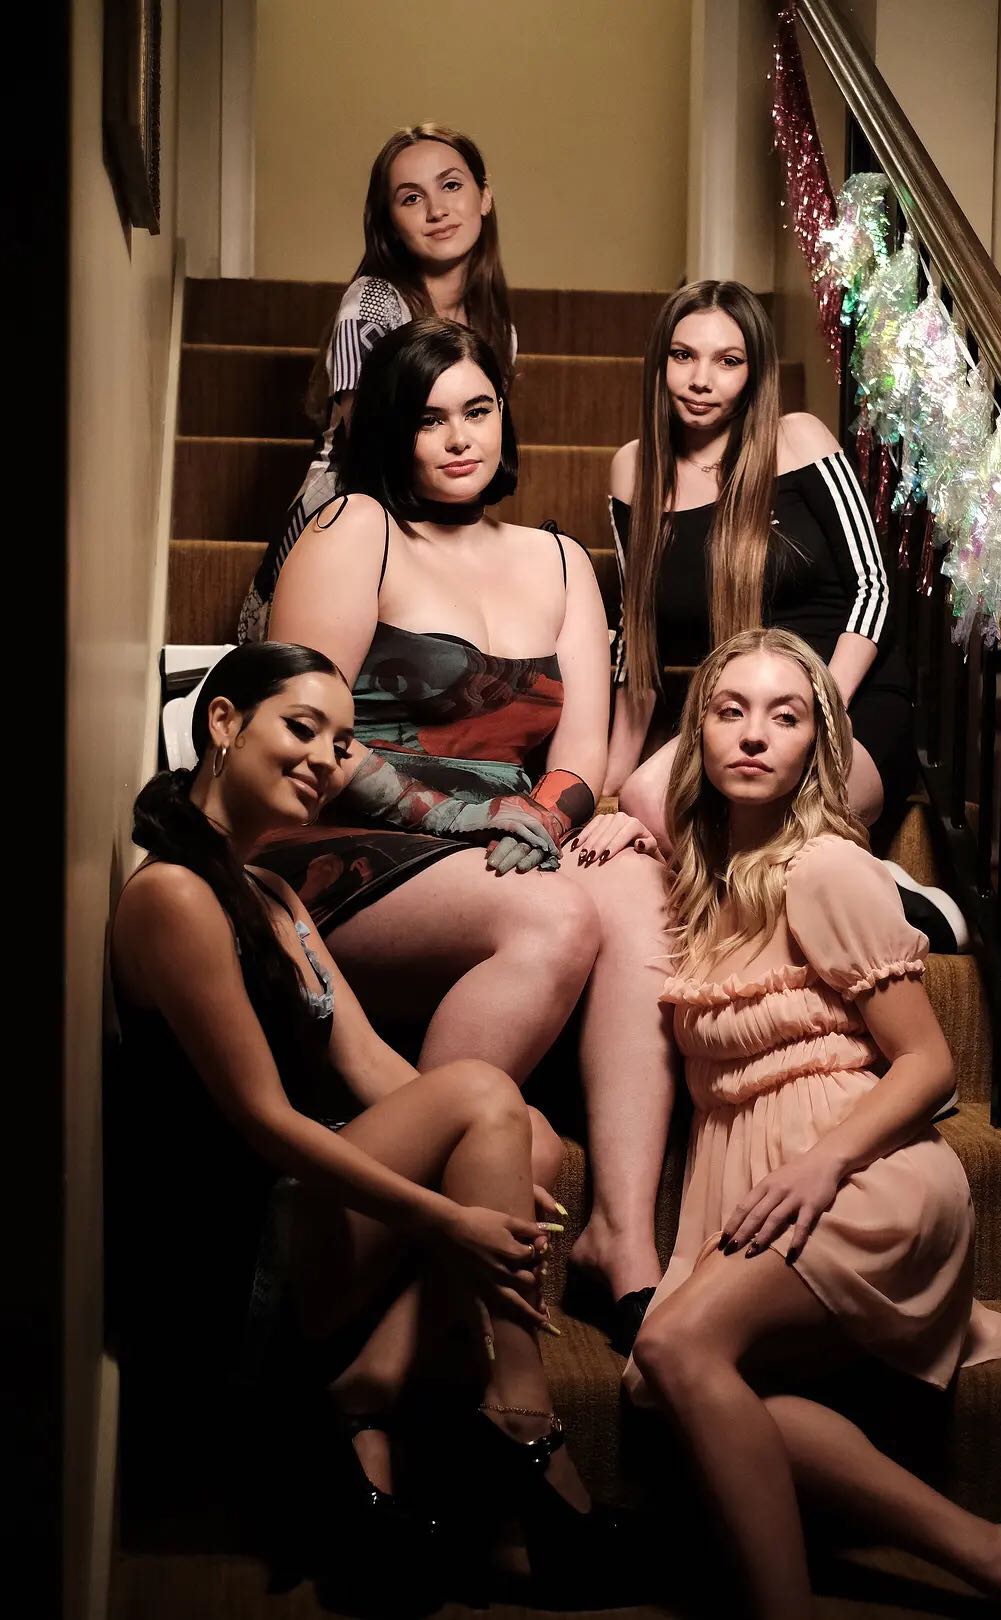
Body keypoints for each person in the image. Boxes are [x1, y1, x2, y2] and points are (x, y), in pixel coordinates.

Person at [110, 642, 622, 1600]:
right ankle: (522, 1417)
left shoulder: (269, 893)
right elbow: (263, 1122)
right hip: (228, 1261)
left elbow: (373, 1069)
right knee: (481, 1098)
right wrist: (446, 1218)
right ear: (222, 722)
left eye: (341, 743)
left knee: (523, 1130)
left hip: (296, 1218)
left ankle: (368, 1391)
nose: (323, 760)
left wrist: (489, 1158)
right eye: (301, 729)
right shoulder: (173, 895)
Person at [261, 316, 678, 1347]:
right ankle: (371, 1270)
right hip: (343, 842)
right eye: (428, 419)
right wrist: (464, 814)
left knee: (634, 888)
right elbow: (301, 732)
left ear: (504, 416)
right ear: (391, 432)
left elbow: (580, 757)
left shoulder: (562, 558)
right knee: (554, 921)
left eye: (478, 410)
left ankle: (622, 1237)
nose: (459, 438)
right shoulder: (355, 526)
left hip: (502, 845)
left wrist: (539, 814)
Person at [620, 627, 1001, 1620]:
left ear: (820, 742)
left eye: (786, 716)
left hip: (859, 1172)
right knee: (682, 1382)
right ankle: (995, 1557)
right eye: (730, 711)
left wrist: (821, 1166)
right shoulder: (706, 879)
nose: (754, 736)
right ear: (696, 731)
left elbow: (931, 1064)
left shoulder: (827, 870)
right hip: (751, 1176)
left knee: (677, 1353)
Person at [603, 278, 967, 953]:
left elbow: (873, 586)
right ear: (660, 363)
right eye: (683, 356)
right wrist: (608, 785)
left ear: (755, 371)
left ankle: (864, 889)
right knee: (646, 799)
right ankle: (880, 889)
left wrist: (818, 709)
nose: (701, 379)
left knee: (784, 804)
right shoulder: (634, 471)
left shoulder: (797, 439)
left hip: (847, 697)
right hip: (733, 712)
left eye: (728, 360)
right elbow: (637, 641)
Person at [238, 123, 515, 643]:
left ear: (484, 196)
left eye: (451, 185)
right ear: (389, 221)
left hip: (438, 527)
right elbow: (370, 449)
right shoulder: (370, 304)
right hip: (353, 512)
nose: (437, 210)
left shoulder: (499, 330)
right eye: (411, 198)